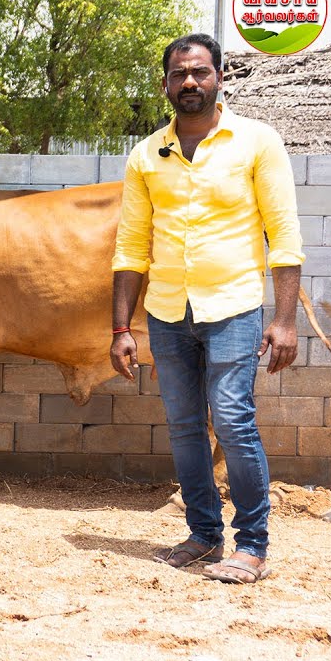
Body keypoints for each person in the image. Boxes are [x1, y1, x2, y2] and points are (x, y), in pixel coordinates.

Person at [109, 33, 302, 585]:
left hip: (234, 306)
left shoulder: (257, 142)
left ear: (220, 77)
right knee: (185, 427)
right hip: (168, 312)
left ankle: (253, 543)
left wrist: (284, 319)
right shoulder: (147, 154)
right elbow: (130, 248)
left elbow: (283, 236)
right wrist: (121, 326)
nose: (190, 82)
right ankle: (203, 534)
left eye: (200, 72)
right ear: (165, 84)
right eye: (179, 74)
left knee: (234, 422)